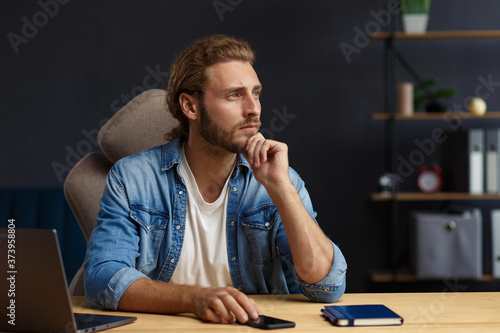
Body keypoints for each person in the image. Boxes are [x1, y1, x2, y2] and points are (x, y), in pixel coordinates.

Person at [84, 34, 347, 324]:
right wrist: (193, 298)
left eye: (256, 93)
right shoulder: (132, 179)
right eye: (234, 95)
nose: (253, 109)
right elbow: (102, 277)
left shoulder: (279, 179)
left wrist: (281, 188)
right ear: (191, 107)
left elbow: (327, 286)